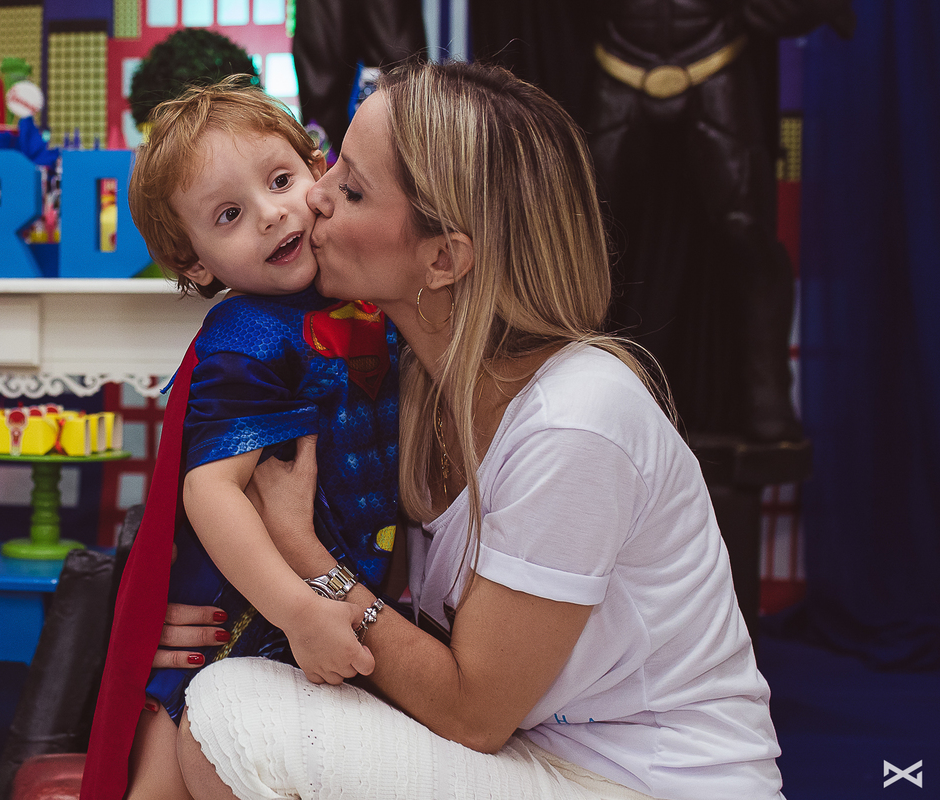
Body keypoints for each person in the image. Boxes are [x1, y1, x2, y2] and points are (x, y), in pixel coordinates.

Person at [167, 61, 785, 800]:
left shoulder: (576, 423)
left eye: (352, 188)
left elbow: (473, 713)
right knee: (222, 699)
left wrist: (304, 558)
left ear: (443, 259)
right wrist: (208, 617)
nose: (315, 197)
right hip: (527, 750)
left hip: (640, 780)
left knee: (230, 721)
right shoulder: (414, 380)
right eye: (330, 164)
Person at [80, 78, 401, 800]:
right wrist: (298, 612)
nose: (270, 214)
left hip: (333, 596)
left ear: (319, 170)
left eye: (281, 180)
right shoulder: (245, 336)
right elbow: (210, 489)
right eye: (228, 214)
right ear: (195, 262)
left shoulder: (365, 299)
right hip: (243, 613)